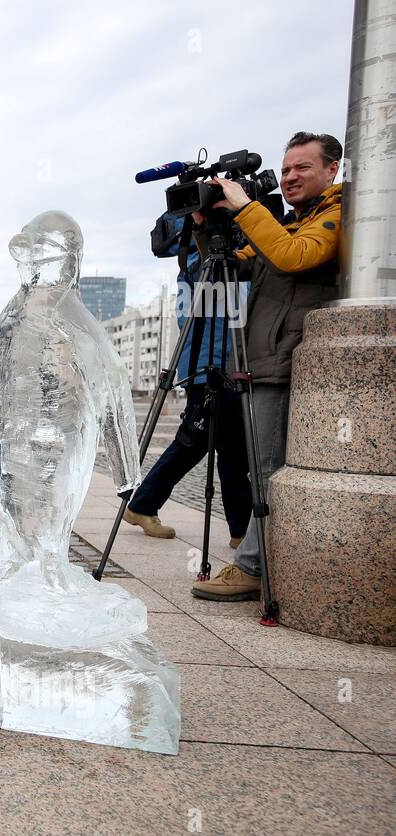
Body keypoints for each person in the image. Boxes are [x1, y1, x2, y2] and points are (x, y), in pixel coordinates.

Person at [190, 131, 342, 601]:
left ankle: (253, 566)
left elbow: (296, 257)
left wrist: (245, 208)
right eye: (287, 168)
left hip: (288, 360)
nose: (291, 177)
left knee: (269, 467)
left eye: (303, 168)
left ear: (332, 170)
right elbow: (235, 269)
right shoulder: (291, 222)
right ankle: (263, 560)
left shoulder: (336, 216)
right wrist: (205, 227)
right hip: (262, 360)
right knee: (264, 465)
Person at [123, 239, 252, 548]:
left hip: (213, 362)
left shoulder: (204, 259)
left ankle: (142, 504)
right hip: (214, 365)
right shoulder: (205, 259)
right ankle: (241, 531)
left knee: (194, 442)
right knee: (228, 450)